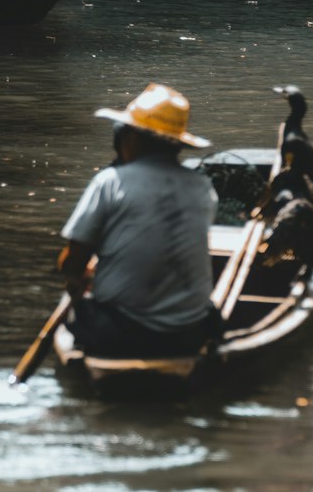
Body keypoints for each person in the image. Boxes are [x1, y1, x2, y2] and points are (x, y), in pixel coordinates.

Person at [57, 82, 219, 358]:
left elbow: (71, 263)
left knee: (78, 303)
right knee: (212, 314)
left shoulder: (109, 182)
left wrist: (79, 275)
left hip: (120, 333)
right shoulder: (203, 187)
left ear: (130, 139)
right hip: (189, 333)